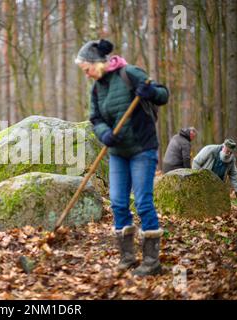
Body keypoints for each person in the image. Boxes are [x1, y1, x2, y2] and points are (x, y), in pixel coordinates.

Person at [75, 39, 169, 276]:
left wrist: (150, 92)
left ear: (97, 63)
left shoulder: (129, 73)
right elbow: (95, 119)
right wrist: (104, 133)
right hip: (118, 153)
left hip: (142, 149)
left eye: (87, 70)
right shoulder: (97, 88)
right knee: (117, 202)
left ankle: (151, 262)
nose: (86, 75)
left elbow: (163, 94)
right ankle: (127, 256)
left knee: (143, 202)